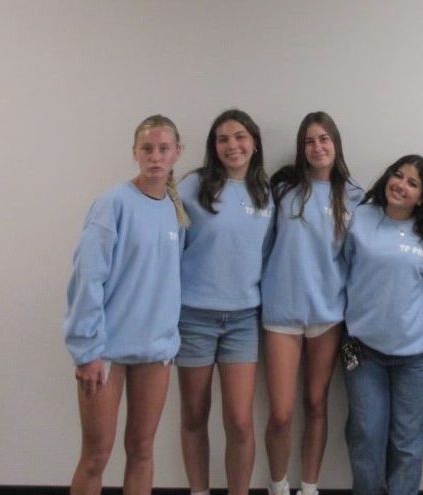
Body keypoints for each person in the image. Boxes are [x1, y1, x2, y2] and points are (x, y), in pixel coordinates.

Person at [63, 114, 188, 495]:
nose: (155, 156)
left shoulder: (175, 210)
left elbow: (167, 282)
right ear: (135, 153)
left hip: (155, 352)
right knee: (96, 455)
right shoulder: (112, 204)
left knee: (142, 450)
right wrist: (87, 351)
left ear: (176, 154)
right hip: (106, 355)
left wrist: (168, 341)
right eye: (147, 148)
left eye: (163, 148)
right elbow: (87, 278)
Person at [261, 111, 363, 495]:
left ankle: (309, 486)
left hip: (328, 315)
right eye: (310, 141)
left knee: (317, 403)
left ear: (336, 144)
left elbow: (357, 259)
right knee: (282, 412)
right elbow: (264, 244)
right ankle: (277, 485)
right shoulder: (283, 188)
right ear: (301, 149)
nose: (318, 147)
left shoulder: (355, 195)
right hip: (281, 313)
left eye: (324, 139)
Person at [177, 109, 273, 495]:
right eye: (222, 139)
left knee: (239, 421)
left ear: (254, 141)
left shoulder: (265, 193)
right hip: (193, 318)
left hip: (243, 321)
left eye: (240, 137)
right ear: (212, 147)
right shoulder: (190, 187)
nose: (232, 145)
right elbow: (171, 250)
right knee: (195, 416)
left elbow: (265, 255)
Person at [343, 155, 423, 495]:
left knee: (408, 443)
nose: (401, 185)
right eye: (398, 176)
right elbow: (340, 269)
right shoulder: (360, 216)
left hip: (416, 355)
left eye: (413, 183)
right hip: (363, 350)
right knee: (366, 436)